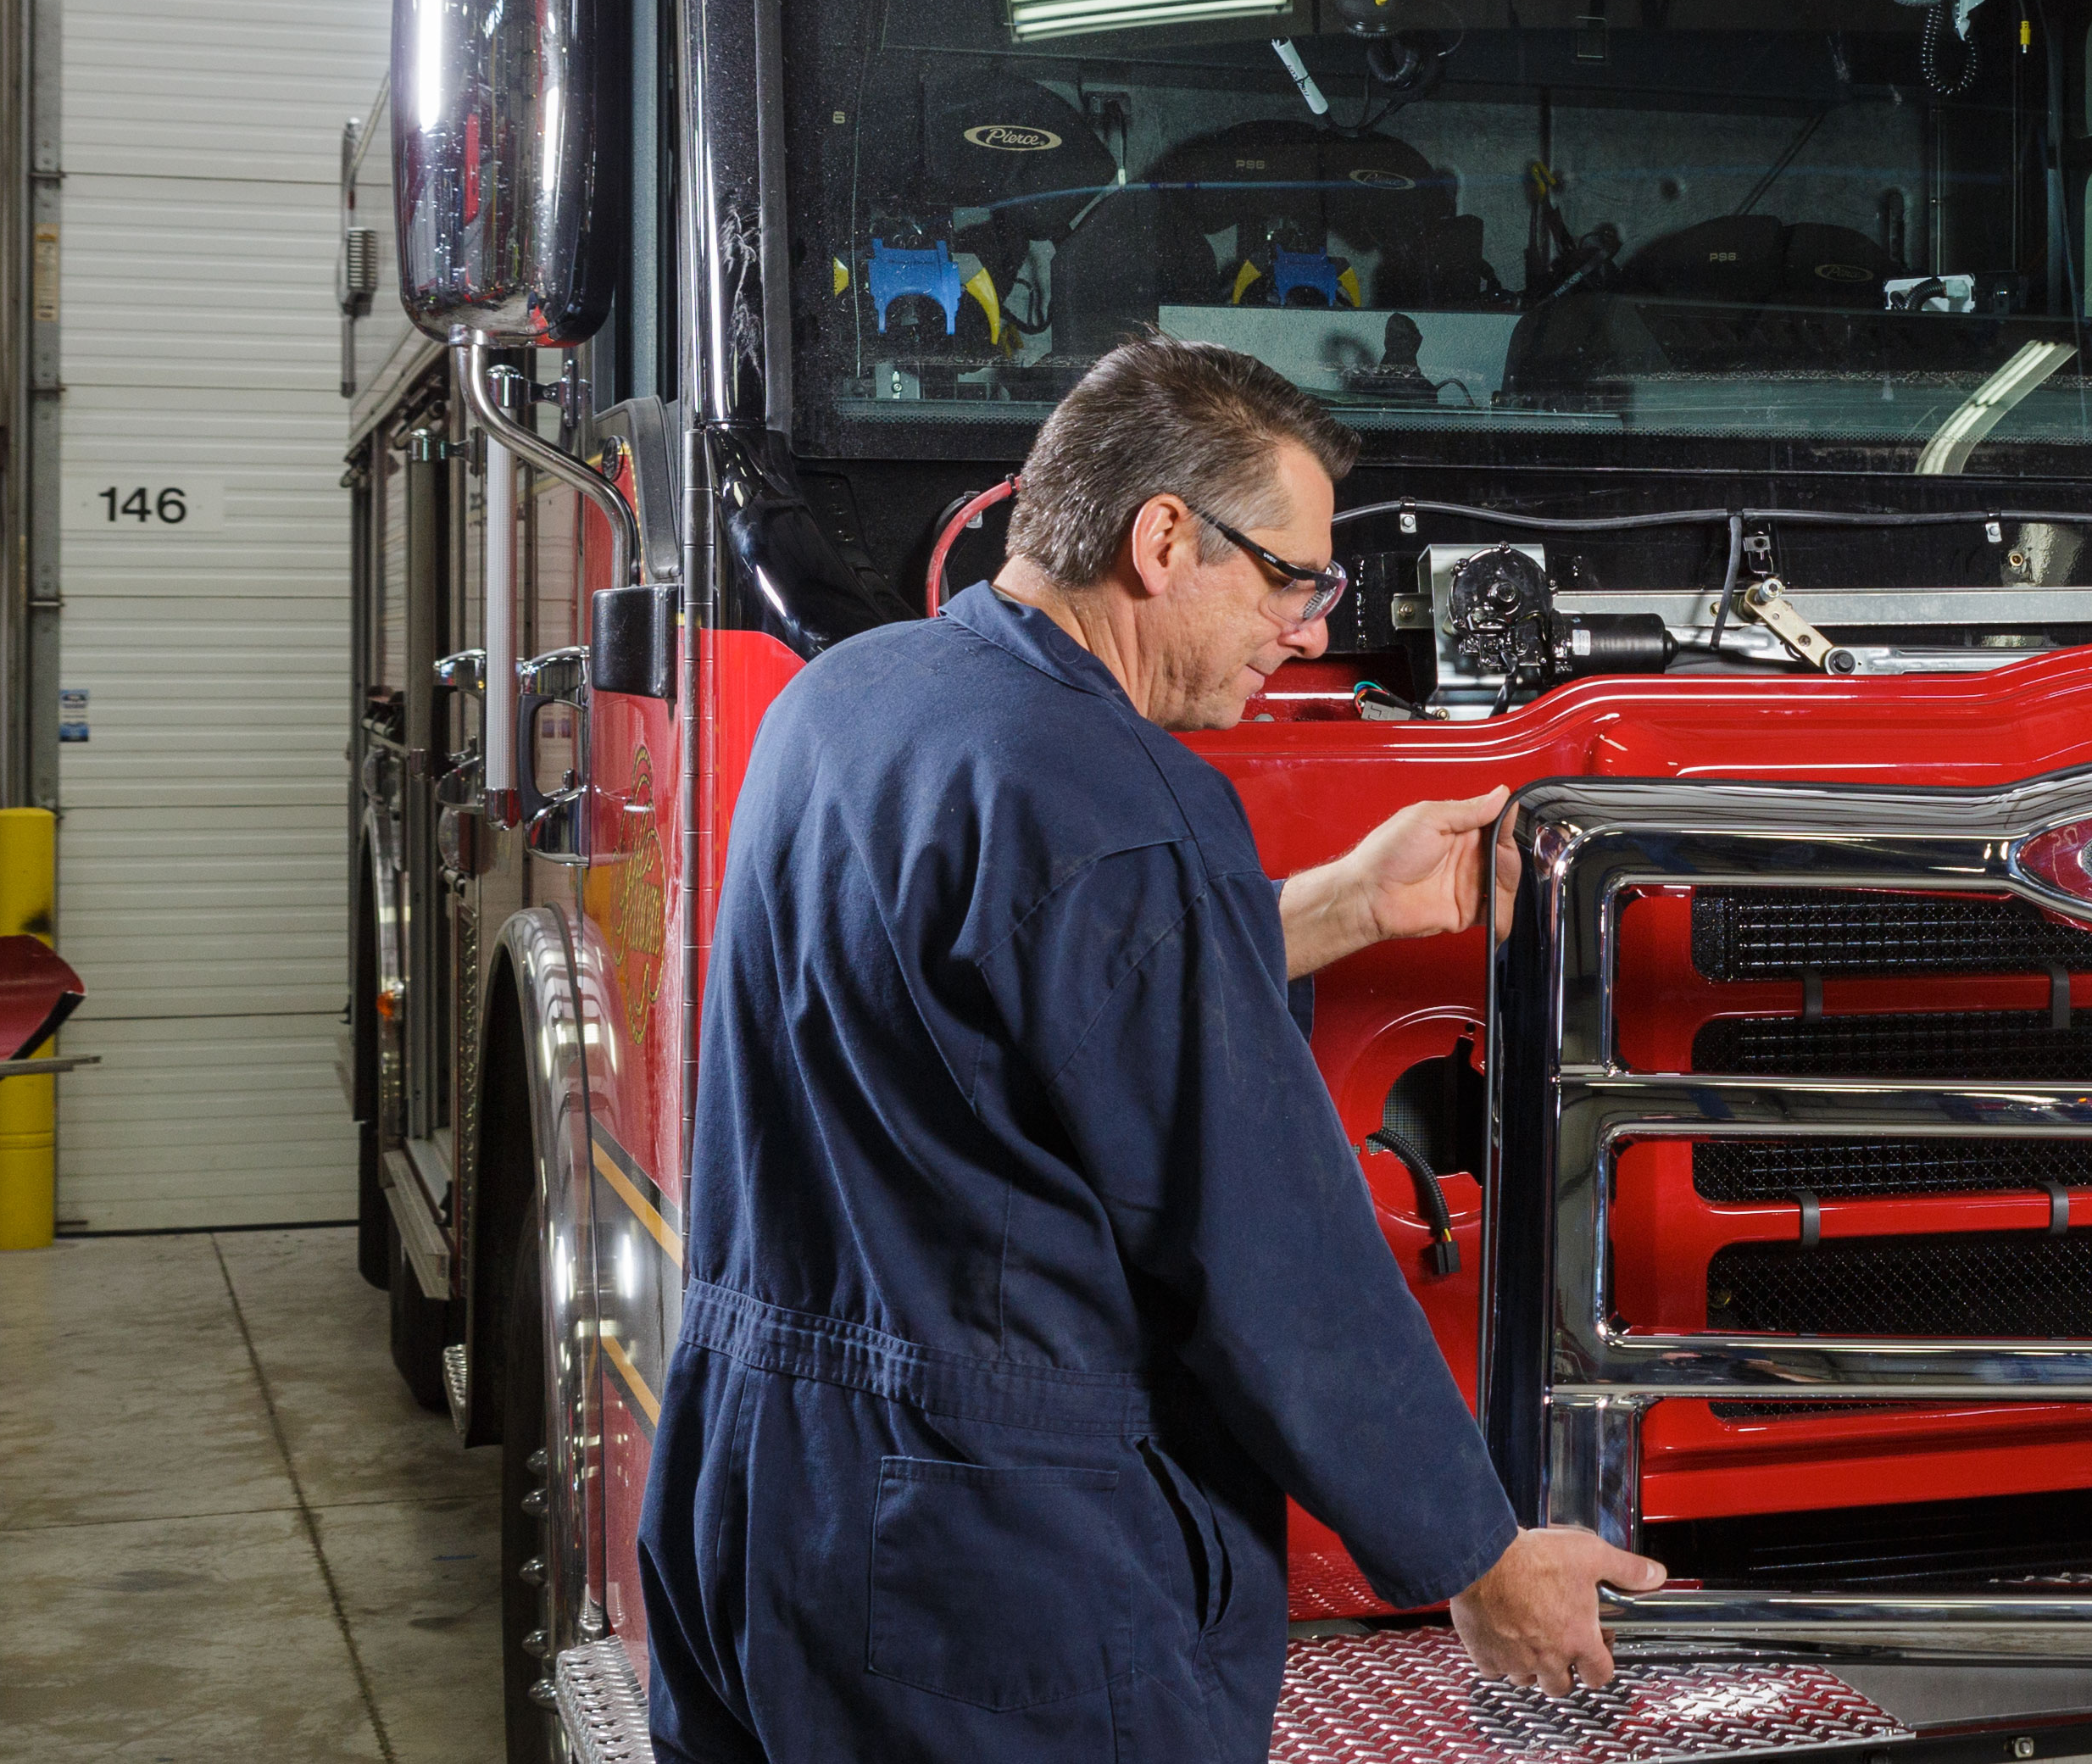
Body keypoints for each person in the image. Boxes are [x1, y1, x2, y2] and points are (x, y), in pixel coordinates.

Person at [638, 334, 1661, 1761]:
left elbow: (1009, 999)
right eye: (1293, 577)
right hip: (990, 1559)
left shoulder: (853, 704)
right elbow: (1271, 1255)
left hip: (748, 1489)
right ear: (1165, 538)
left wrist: (1349, 902)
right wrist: (1476, 1557)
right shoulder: (1120, 802)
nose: (1308, 630)